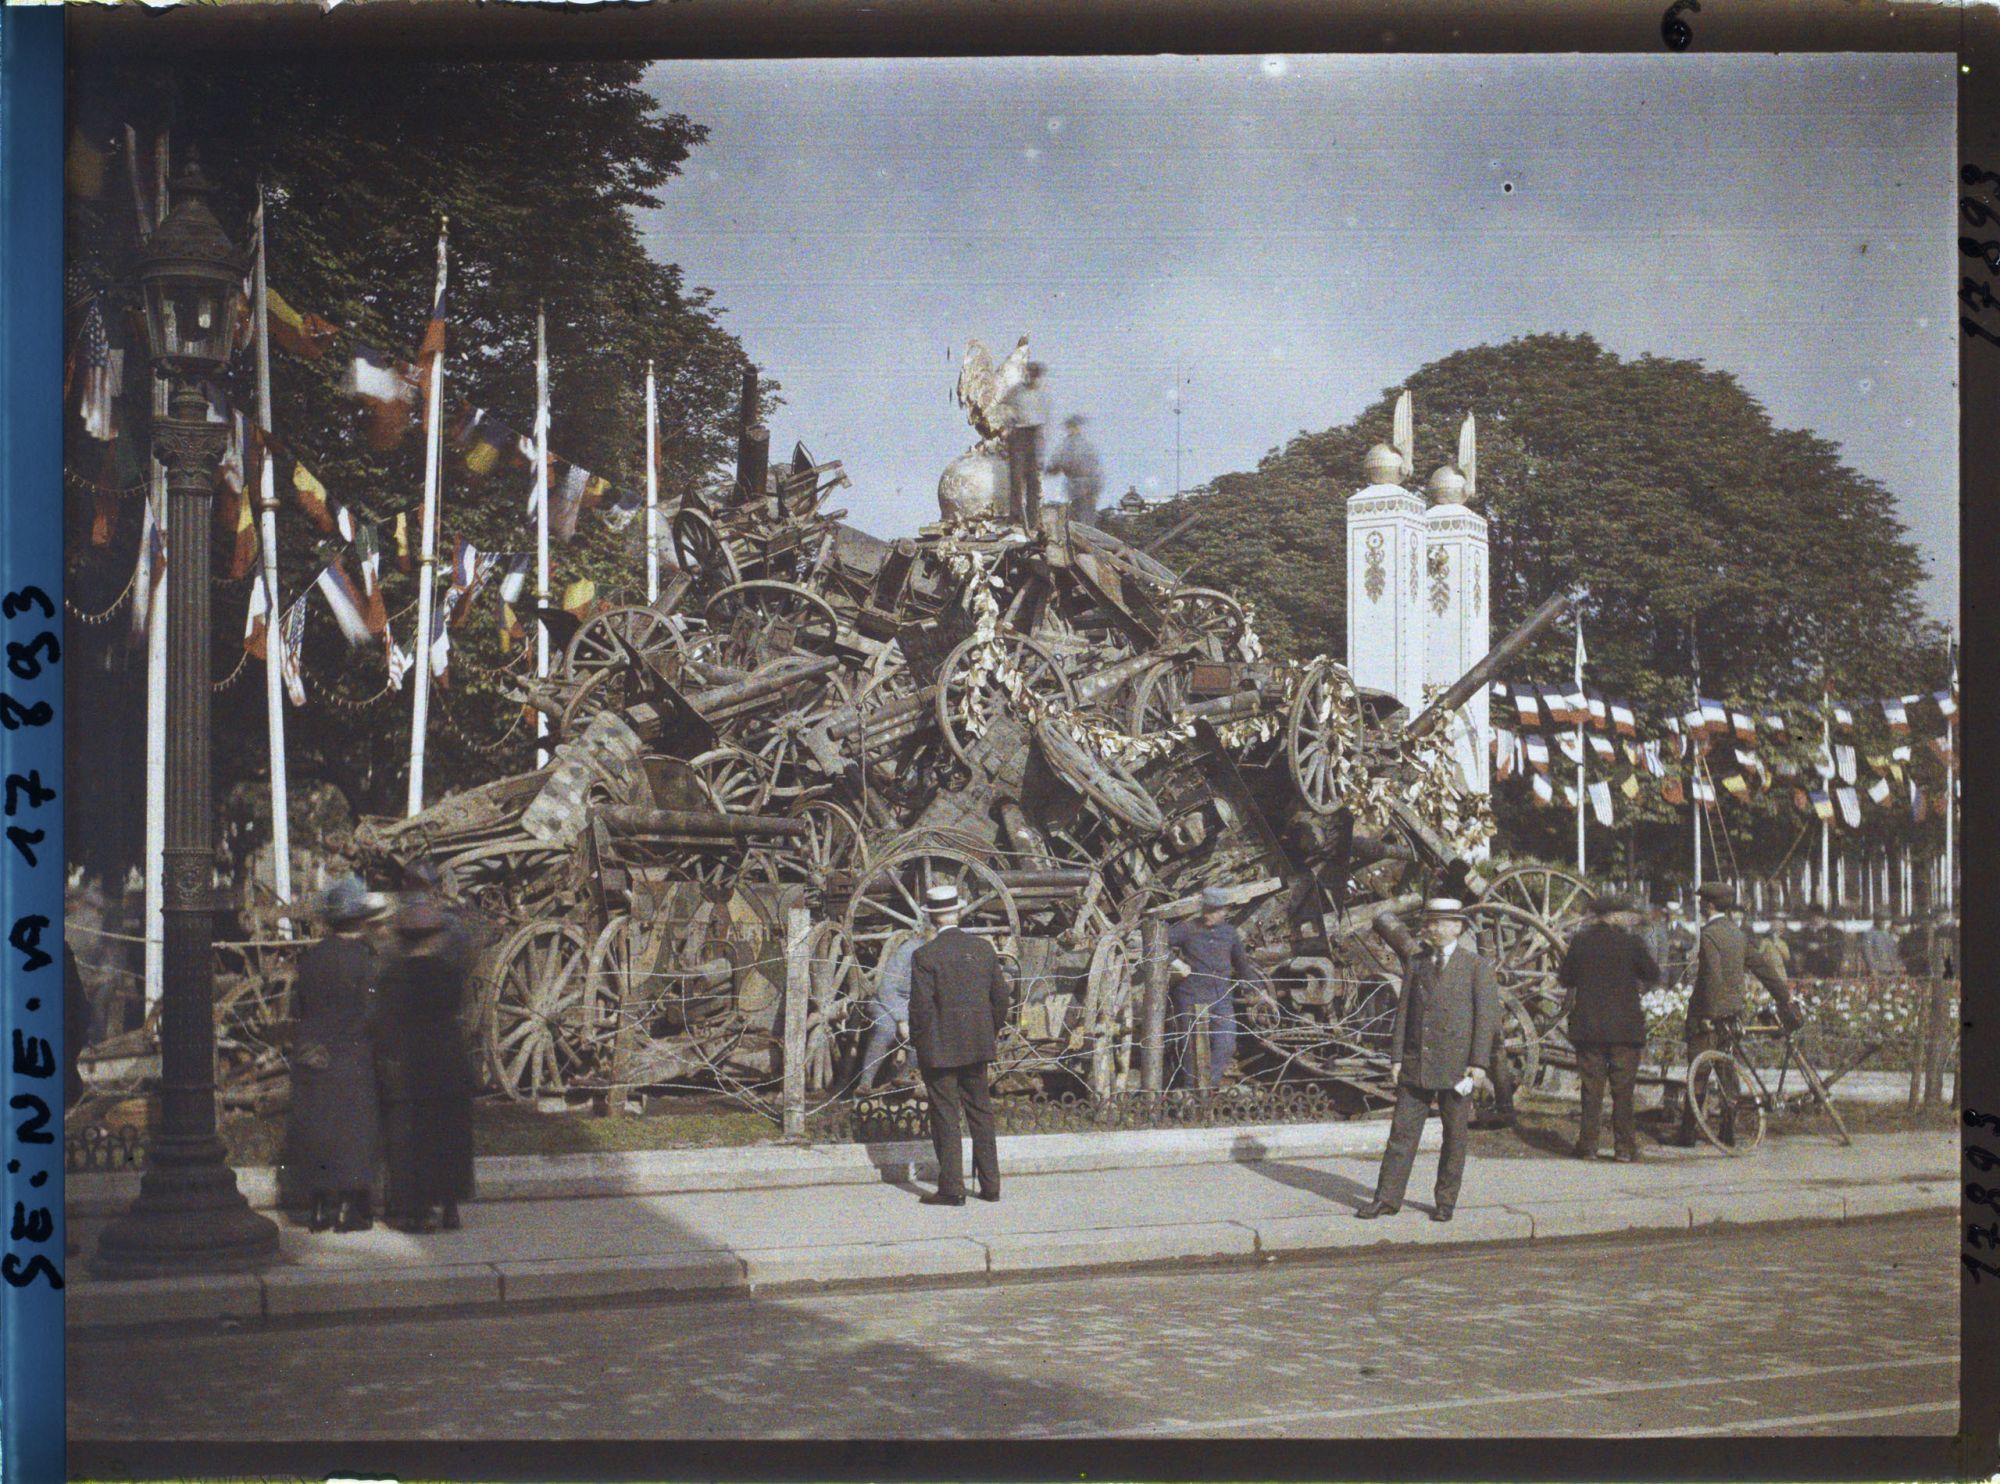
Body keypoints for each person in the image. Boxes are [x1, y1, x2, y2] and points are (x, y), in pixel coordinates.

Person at [1355, 899, 1499, 1223]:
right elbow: (1404, 1012)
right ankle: (1386, 1199)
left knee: (1455, 1136)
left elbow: (1485, 1018)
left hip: (1457, 1067)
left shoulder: (1475, 966)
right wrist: (1396, 1058)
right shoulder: (1417, 963)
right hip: (1416, 1063)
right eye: (1429, 922)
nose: (1431, 928)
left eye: (1438, 922)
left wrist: (1478, 1064)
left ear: (1457, 927)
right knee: (1401, 1134)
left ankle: (1445, 1201)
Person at [280, 877, 389, 1233]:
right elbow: (373, 1011)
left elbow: (300, 1005)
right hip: (351, 1054)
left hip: (314, 1053)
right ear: (359, 920)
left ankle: (317, 1210)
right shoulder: (364, 961)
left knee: (319, 1132)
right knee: (353, 1133)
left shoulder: (311, 958)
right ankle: (348, 1210)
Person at [1673, 882, 1805, 1146]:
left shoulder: (1710, 934)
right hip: (1732, 1015)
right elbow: (1764, 968)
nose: (1699, 907)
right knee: (1727, 1072)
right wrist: (1784, 997)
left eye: (1702, 903)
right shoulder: (1737, 934)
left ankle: (1687, 1135)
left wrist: (1710, 1012)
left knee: (1698, 1072)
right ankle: (1727, 1132)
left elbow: (1712, 975)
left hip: (1707, 1017)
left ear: (1709, 906)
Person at [376, 893, 478, 1232]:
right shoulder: (449, 973)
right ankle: (450, 1207)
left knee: (414, 1138)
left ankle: (419, 1211)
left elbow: (386, 1022)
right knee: (449, 1134)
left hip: (412, 1063)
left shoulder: (394, 976)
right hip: (447, 1059)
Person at [907, 884, 1013, 1207]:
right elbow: (1001, 1000)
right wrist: (987, 1030)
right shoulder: (983, 950)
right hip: (977, 1045)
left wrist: (918, 1043)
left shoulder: (924, 956)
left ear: (932, 919)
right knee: (981, 1112)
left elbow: (921, 1009)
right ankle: (991, 1186)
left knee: (945, 1115)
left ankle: (952, 1189)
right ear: (958, 912)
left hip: (940, 1049)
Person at [1558, 894, 1661, 1163]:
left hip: (1589, 1027)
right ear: (1614, 915)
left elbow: (1564, 978)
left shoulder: (1580, 942)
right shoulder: (1631, 943)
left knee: (1591, 1089)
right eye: (1625, 913)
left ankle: (1588, 1146)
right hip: (1625, 1029)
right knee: (1623, 1091)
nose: (1629, 918)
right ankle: (1624, 1148)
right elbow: (1652, 974)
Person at [1166, 887, 1262, 1091]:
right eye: (1207, 910)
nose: (1209, 915)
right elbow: (1155, 942)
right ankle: (1191, 1091)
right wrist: (1175, 962)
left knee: (1226, 1044)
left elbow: (1242, 965)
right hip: (1190, 996)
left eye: (1215, 911)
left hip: (1221, 998)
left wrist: (1256, 989)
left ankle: (1207, 1088)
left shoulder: (1230, 934)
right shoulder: (1187, 929)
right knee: (1190, 1048)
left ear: (1225, 911)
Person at [845, 929, 925, 1097]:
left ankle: (902, 1078)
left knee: (925, 1030)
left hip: (916, 1006)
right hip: (886, 1002)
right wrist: (902, 1020)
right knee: (886, 1028)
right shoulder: (909, 950)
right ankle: (865, 1085)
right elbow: (886, 988)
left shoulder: (943, 952)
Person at [999, 361, 1051, 524]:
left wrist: (1042, 453)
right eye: (1029, 374)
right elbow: (1003, 406)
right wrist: (1008, 423)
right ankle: (1015, 516)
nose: (1031, 378)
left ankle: (1033, 518)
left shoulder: (1042, 394)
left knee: (1033, 480)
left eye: (1034, 375)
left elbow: (1046, 423)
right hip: (1018, 434)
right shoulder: (1016, 391)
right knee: (1016, 476)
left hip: (1034, 435)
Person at [1044, 414, 1104, 528]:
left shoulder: (1070, 444)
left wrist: (1046, 470)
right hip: (1090, 486)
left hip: (1079, 485)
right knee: (1088, 519)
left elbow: (1058, 463)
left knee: (1079, 520)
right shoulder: (1087, 444)